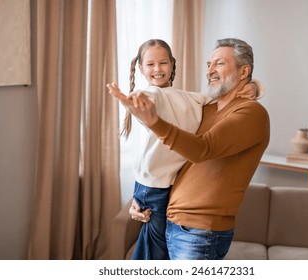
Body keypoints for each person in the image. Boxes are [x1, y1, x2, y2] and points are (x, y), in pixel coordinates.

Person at [107, 38, 267, 260]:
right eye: (209, 64)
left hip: (200, 232)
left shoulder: (250, 114)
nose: (210, 70)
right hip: (171, 218)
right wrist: (144, 200)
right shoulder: (207, 108)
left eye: (219, 63)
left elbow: (203, 149)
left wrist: (154, 121)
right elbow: (175, 157)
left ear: (244, 71)